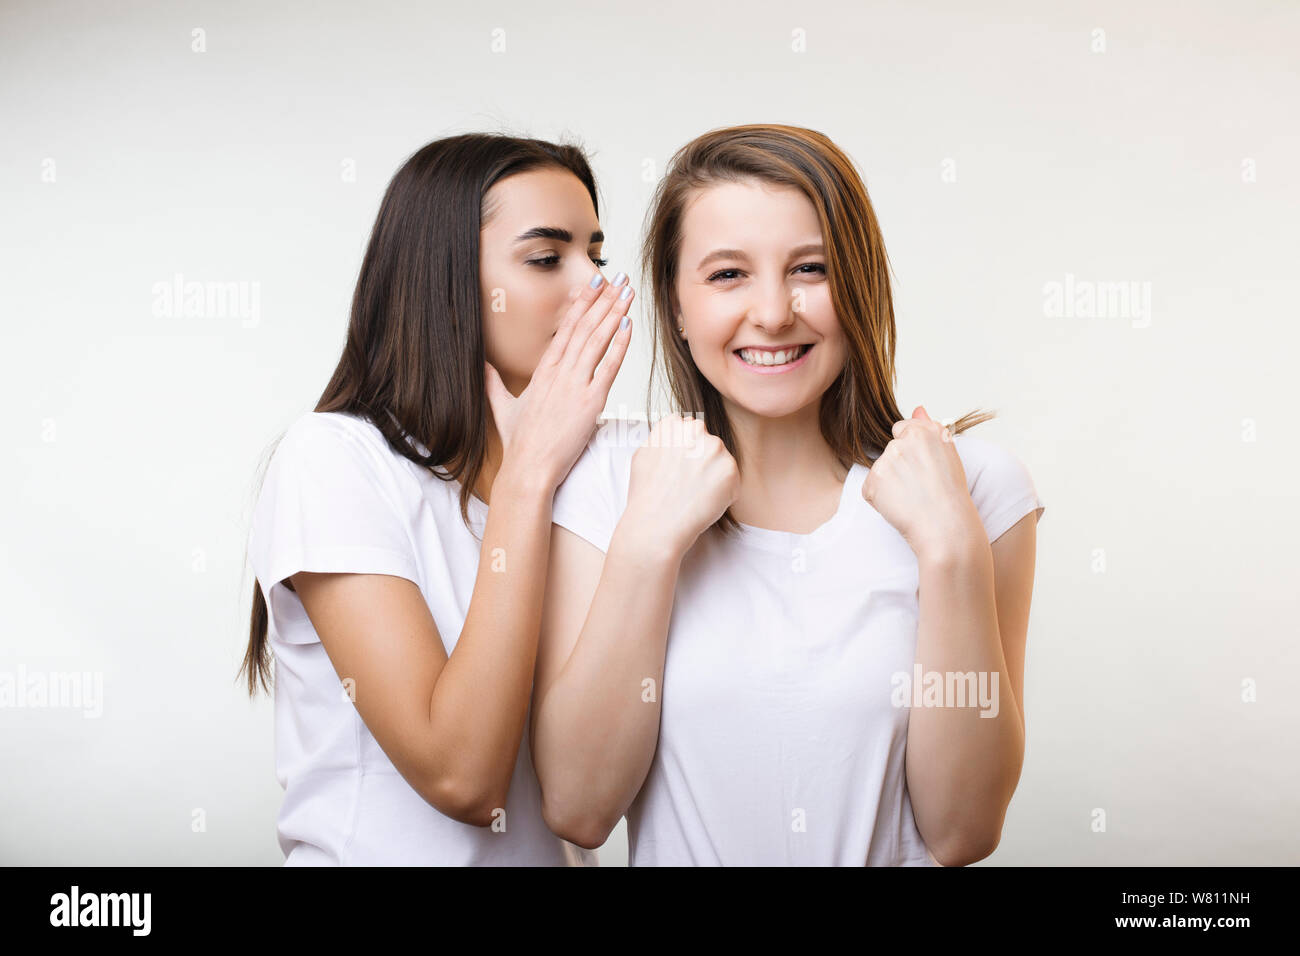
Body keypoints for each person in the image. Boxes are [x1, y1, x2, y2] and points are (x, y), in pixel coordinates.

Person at [530, 124, 1045, 866]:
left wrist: (952, 551)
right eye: (728, 275)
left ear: (859, 287)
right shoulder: (608, 482)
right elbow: (579, 808)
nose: (772, 313)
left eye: (810, 269)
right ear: (676, 306)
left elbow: (964, 830)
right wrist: (646, 546)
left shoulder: (976, 486)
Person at [239, 133, 634, 865]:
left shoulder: (586, 469)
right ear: (447, 281)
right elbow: (462, 775)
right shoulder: (333, 460)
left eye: (596, 256)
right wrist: (528, 479)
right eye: (547, 258)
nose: (592, 287)